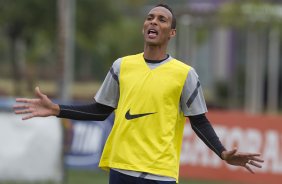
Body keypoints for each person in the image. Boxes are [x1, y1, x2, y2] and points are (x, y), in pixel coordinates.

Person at [13, 3, 264, 184]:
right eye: (150, 17)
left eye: (162, 20)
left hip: (160, 172)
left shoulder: (185, 74)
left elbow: (198, 120)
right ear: (144, 27)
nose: (154, 21)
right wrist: (57, 109)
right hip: (121, 168)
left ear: (171, 33)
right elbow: (101, 111)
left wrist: (221, 152)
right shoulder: (122, 66)